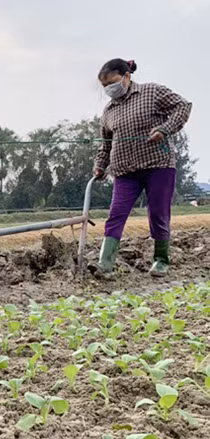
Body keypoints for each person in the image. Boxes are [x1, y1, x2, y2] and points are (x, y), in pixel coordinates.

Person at [92, 58, 192, 277]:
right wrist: (100, 166)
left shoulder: (151, 92)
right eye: (104, 86)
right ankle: (105, 262)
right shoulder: (108, 111)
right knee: (116, 214)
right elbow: (106, 144)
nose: (109, 89)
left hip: (158, 165)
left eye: (112, 82)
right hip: (125, 171)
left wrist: (164, 129)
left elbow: (183, 106)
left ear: (127, 76)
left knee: (157, 212)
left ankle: (161, 260)